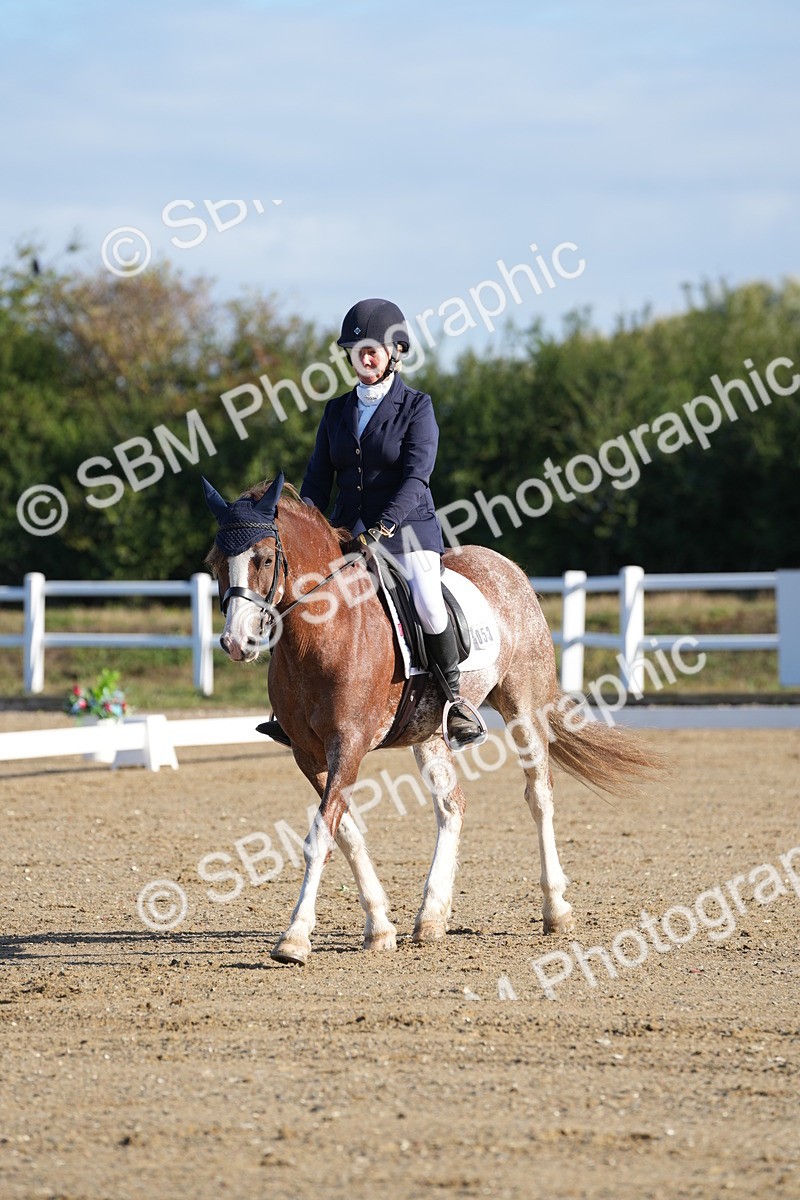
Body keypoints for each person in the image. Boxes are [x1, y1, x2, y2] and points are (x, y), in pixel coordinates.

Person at [261, 298, 487, 750]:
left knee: (426, 603)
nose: (365, 357)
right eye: (357, 349)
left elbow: (416, 477)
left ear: (394, 353)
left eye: (374, 349)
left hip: (406, 530)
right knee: (300, 598)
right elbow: (319, 479)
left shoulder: (416, 407)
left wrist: (381, 528)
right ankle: (289, 707)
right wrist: (303, 529)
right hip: (346, 534)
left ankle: (454, 702)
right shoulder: (336, 411)